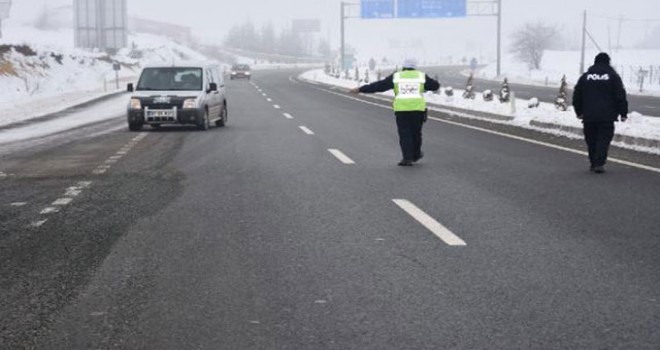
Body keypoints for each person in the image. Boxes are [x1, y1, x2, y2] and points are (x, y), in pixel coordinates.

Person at [350, 58, 440, 166]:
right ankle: (416, 154)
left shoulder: (397, 76)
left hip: (402, 109)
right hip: (417, 109)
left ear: (403, 66)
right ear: (415, 66)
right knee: (416, 133)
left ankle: (407, 158)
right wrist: (424, 87)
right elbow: (435, 86)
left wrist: (361, 89)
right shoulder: (421, 76)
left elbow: (380, 86)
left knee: (404, 133)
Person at [573, 53, 628, 174]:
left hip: (589, 116)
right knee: (603, 140)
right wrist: (623, 113)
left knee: (591, 139)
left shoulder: (586, 77)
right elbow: (620, 96)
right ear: (608, 62)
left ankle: (593, 162)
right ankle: (599, 163)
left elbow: (577, 95)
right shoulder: (613, 77)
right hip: (607, 116)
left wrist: (579, 111)